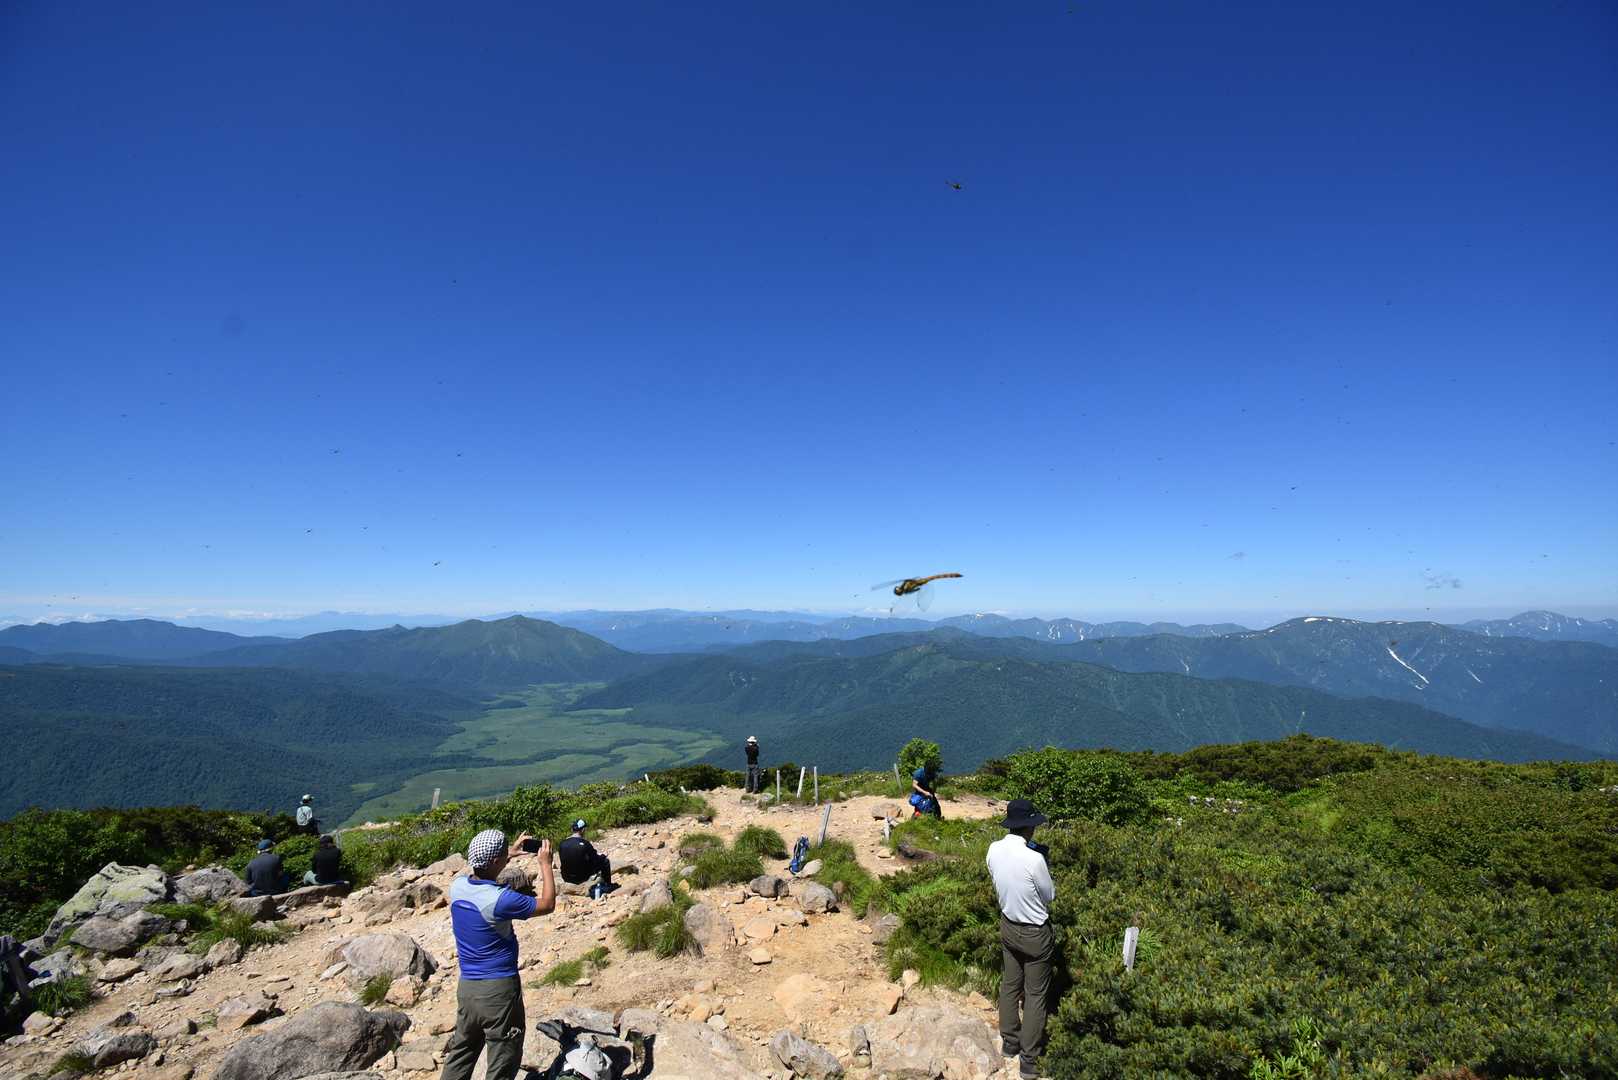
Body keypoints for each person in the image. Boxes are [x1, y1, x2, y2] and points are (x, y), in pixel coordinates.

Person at [441, 828, 554, 1080]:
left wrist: (508, 853)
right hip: (498, 990)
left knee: (462, 1051)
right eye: (502, 854)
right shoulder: (501, 900)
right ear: (495, 861)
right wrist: (545, 865)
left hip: (467, 988)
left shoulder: (457, 887)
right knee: (503, 1057)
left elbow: (482, 869)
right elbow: (547, 904)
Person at [986, 799, 1055, 1080]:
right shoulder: (1034, 858)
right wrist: (1044, 862)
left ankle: (1009, 1043)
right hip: (1035, 932)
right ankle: (1029, 1061)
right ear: (1029, 827)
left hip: (1008, 926)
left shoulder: (993, 849)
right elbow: (1049, 896)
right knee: (1035, 995)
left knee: (1010, 985)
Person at [558, 819, 614, 899]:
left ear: (572, 830)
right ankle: (608, 885)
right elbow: (595, 859)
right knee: (605, 861)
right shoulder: (585, 844)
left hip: (566, 877)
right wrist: (603, 856)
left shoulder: (562, 843)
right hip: (582, 877)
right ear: (583, 830)